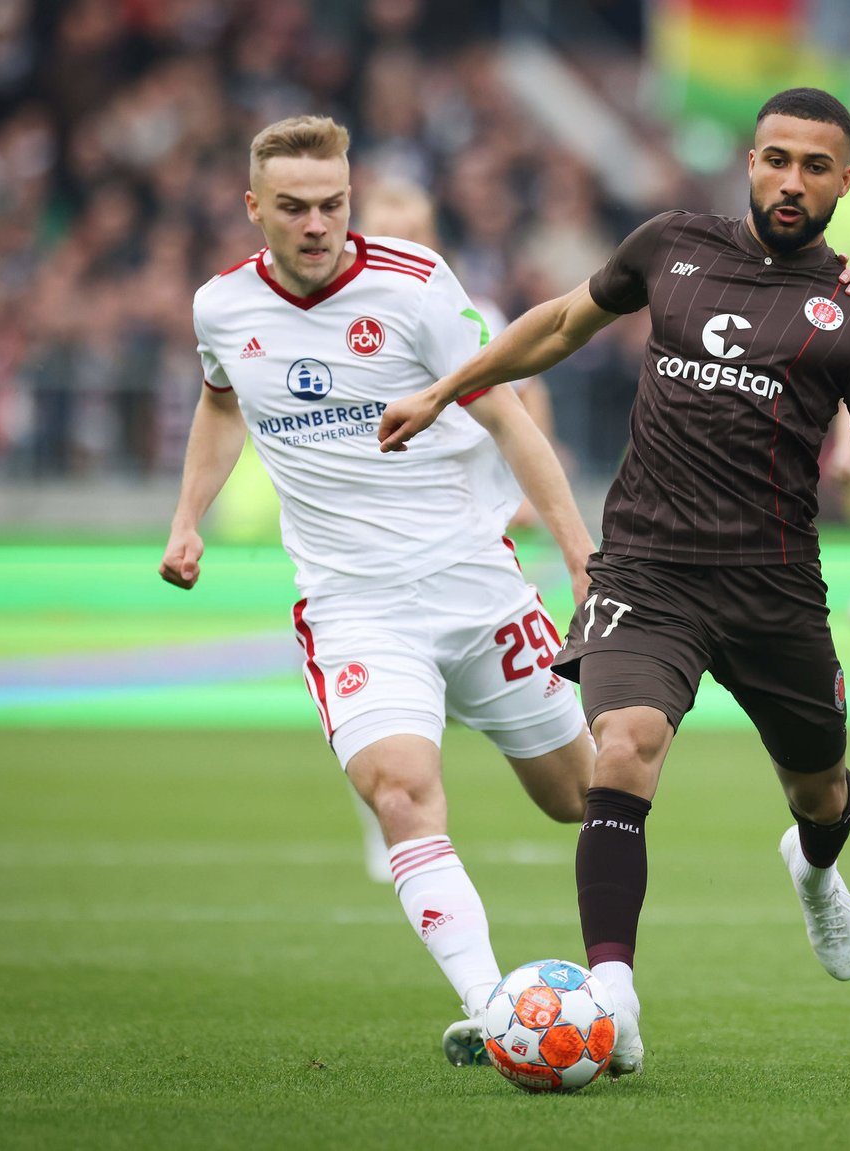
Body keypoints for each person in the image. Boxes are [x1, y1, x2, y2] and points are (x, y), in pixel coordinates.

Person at [377, 88, 850, 1076]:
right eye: (776, 158)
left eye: (815, 167)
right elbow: (560, 323)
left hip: (772, 586)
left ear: (843, 183)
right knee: (624, 744)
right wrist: (443, 387)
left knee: (820, 787)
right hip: (645, 565)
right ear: (749, 162)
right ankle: (613, 991)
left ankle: (815, 874)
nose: (791, 180)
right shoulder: (669, 246)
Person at [159, 115, 599, 1062]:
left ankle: (608, 991)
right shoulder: (222, 308)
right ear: (254, 209)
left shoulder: (417, 288)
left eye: (333, 204)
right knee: (401, 791)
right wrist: (188, 516)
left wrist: (578, 551)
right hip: (354, 607)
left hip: (477, 587)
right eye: (294, 208)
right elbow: (220, 401)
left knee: (582, 796)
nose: (318, 225)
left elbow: (513, 423)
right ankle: (495, 1009)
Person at [333, 179, 576, 885]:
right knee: (377, 724)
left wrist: (534, 488)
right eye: (385, 230)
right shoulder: (317, 317)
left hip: (469, 546)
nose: (398, 244)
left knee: (571, 781)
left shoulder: (474, 310)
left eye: (412, 232)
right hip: (364, 566)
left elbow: (528, 399)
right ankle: (392, 819)